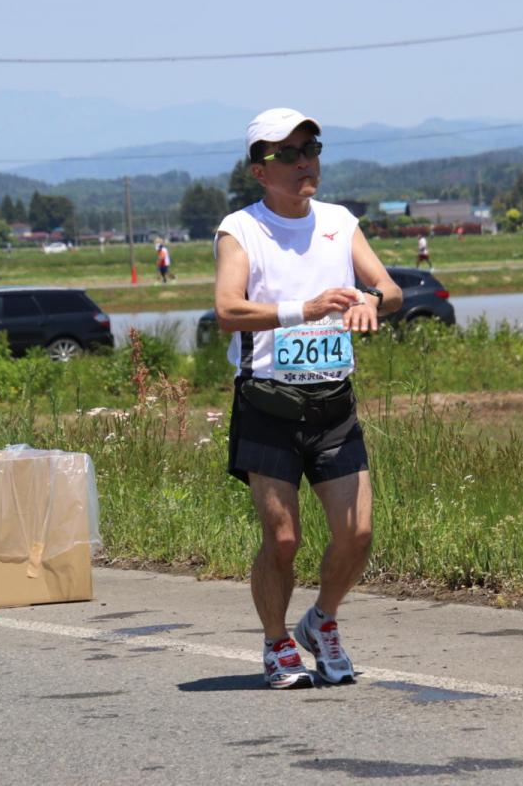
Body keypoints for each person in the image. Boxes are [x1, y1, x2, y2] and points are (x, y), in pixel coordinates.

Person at [214, 107, 401, 689]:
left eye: (311, 149)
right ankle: (275, 642)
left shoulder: (340, 222)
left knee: (358, 533)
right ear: (258, 171)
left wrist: (374, 302)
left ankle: (321, 621)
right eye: (288, 155)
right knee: (284, 538)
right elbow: (227, 310)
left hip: (332, 405)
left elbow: (390, 287)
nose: (304, 163)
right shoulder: (240, 229)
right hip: (267, 404)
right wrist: (306, 308)